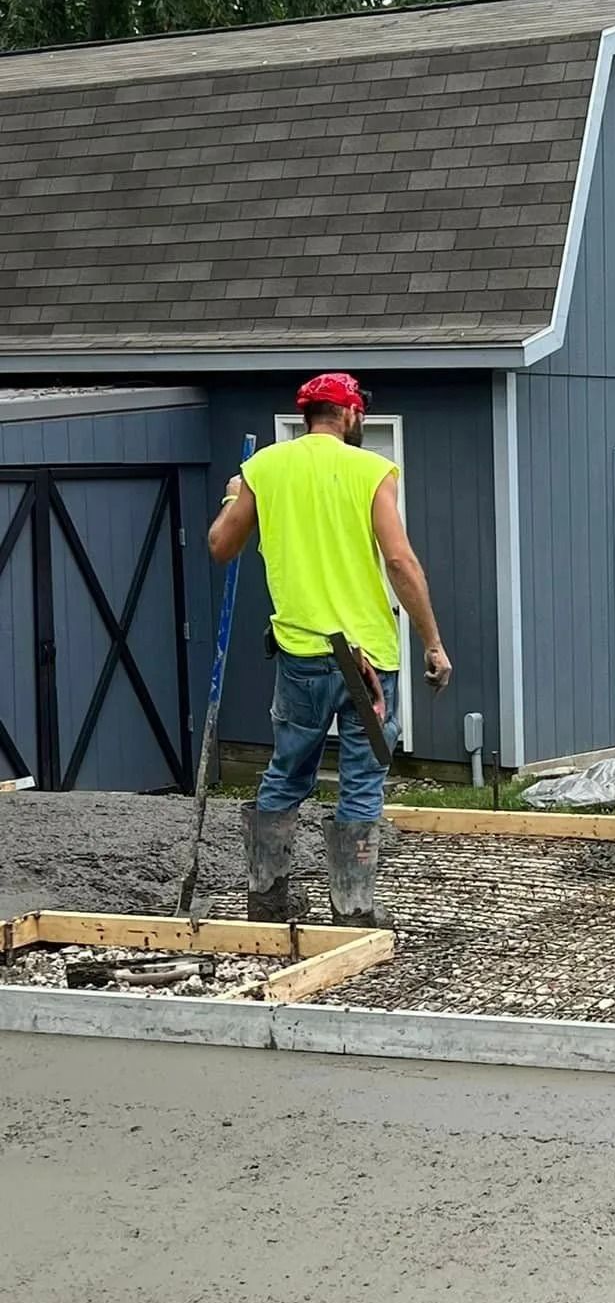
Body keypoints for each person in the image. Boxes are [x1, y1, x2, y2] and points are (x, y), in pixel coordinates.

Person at [207, 371, 451, 926]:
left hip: (301, 655)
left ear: (307, 415)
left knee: (287, 772)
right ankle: (354, 909)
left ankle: (267, 900)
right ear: (349, 415)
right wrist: (432, 642)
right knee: (362, 778)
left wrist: (233, 497)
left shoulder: (264, 468)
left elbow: (221, 546)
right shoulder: (371, 471)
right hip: (365, 660)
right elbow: (400, 562)